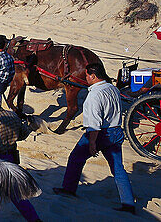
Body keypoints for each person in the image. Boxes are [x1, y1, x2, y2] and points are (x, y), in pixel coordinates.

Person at [53, 63, 136, 215]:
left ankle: (69, 189)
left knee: (76, 158)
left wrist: (92, 143)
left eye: (86, 76)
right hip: (116, 131)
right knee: (118, 168)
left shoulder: (94, 95)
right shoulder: (113, 88)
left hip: (100, 134)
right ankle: (128, 203)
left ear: (93, 75)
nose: (86, 78)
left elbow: (94, 123)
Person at [0, 88, 40, 222]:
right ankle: (33, 218)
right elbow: (22, 135)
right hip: (12, 157)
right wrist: (30, 127)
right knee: (17, 194)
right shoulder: (12, 116)